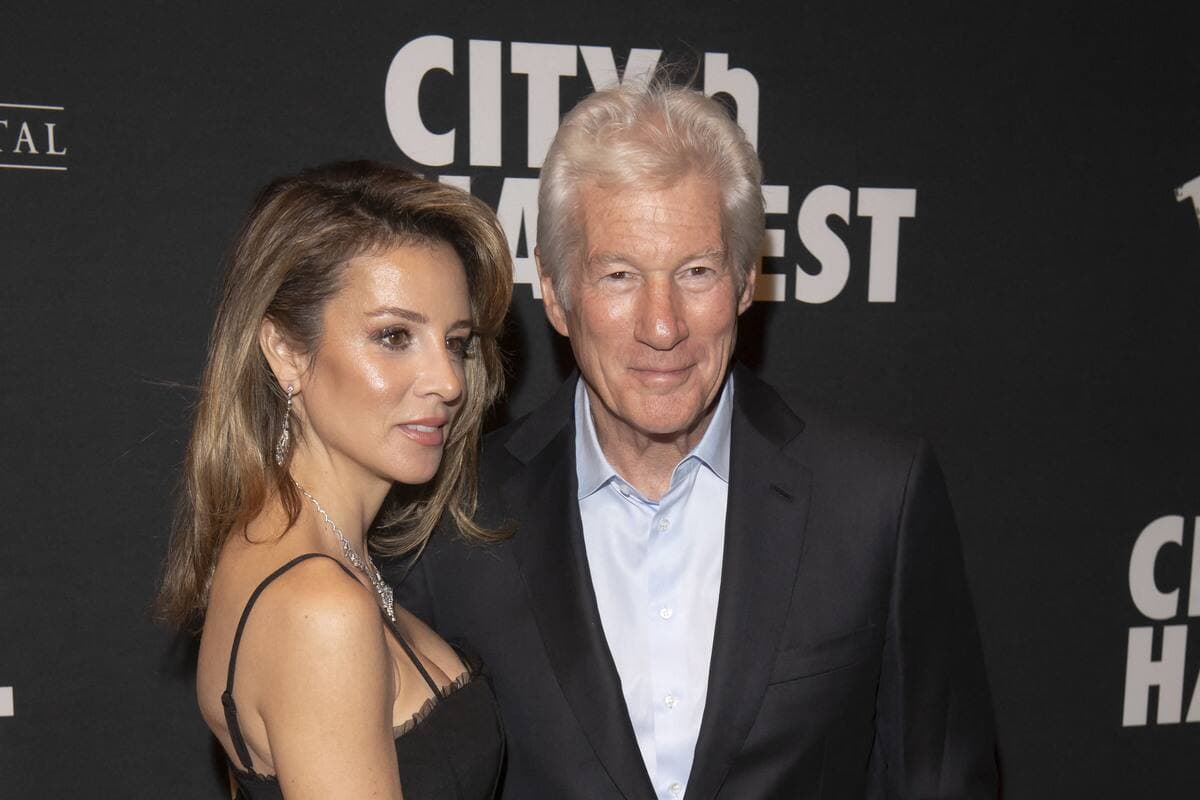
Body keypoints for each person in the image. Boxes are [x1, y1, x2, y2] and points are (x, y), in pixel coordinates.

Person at [390, 81, 999, 799]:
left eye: (697, 272)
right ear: (555, 293)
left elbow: (941, 779)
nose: (662, 326)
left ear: (744, 282)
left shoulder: (874, 499)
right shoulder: (453, 517)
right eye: (620, 275)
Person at [156, 161, 512, 799]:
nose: (448, 382)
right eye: (395, 336)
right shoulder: (319, 606)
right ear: (286, 351)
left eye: (455, 342)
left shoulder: (278, 547)